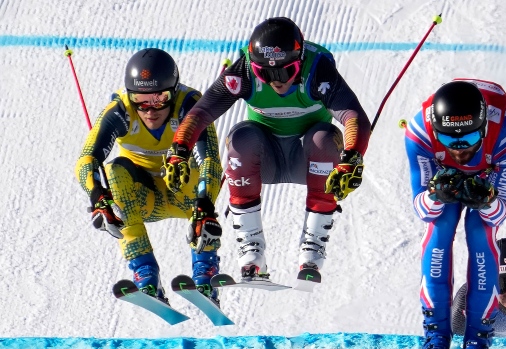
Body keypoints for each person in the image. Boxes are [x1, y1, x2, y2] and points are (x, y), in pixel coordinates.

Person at [162, 17, 370, 280]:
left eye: (285, 71)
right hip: (264, 160)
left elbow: (354, 117)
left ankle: (313, 246)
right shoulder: (245, 71)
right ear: (254, 66)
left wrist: (351, 158)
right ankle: (251, 250)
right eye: (265, 73)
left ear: (301, 59)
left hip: (308, 161)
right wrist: (179, 149)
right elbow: (201, 112)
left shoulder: (317, 68)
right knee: (241, 138)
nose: (276, 80)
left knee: (324, 139)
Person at [75, 48, 224, 305]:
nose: (150, 109)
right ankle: (146, 275)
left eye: (159, 99)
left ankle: (205, 273)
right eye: (140, 100)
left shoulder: (190, 107)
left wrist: (206, 204)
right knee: (113, 171)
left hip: (186, 195)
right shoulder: (121, 110)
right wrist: (98, 197)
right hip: (144, 200)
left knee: (184, 164)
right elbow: (87, 159)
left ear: (174, 92)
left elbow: (211, 160)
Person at [404, 79, 506, 349]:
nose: (459, 148)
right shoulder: (419, 132)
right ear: (436, 132)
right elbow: (422, 210)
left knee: (479, 230)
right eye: (448, 139)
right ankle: (436, 334)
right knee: (440, 224)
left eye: (469, 138)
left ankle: (478, 336)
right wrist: (434, 195)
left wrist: (488, 201)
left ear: (483, 128)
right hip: (447, 171)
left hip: (488, 168)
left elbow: (498, 214)